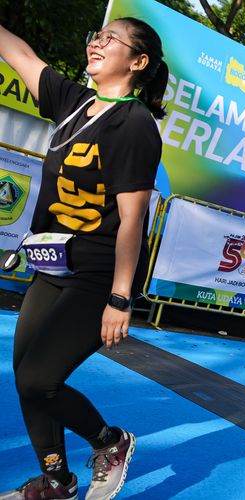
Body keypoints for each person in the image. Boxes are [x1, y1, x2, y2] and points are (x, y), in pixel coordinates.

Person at [0, 18, 167, 500]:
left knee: (39, 379)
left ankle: (109, 442)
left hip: (97, 276)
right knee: (27, 379)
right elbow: (22, 56)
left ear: (138, 62)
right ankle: (57, 481)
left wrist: (120, 297)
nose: (97, 43)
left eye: (111, 39)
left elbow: (132, 221)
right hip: (52, 266)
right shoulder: (73, 101)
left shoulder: (134, 125)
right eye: (97, 35)